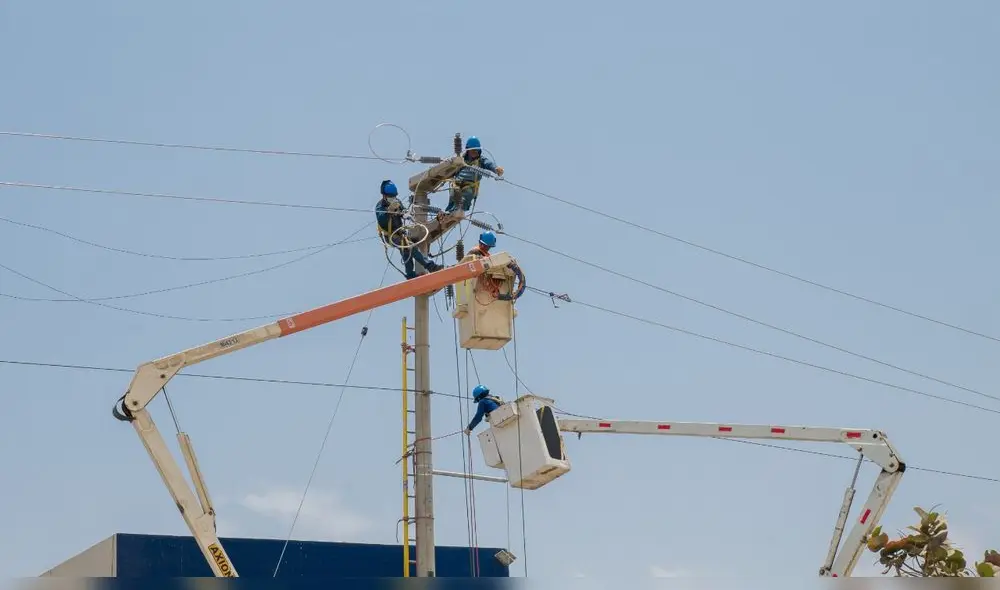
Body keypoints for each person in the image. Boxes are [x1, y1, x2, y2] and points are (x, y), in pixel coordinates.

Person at [375, 180, 442, 279]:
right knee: (410, 247)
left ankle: (410, 275)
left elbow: (402, 210)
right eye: (390, 197)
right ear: (384, 196)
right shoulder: (380, 206)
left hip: (400, 233)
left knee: (406, 251)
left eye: (394, 196)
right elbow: (382, 220)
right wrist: (389, 211)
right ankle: (430, 266)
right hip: (390, 235)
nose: (393, 198)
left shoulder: (397, 202)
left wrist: (405, 213)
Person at [444, 136, 504, 214]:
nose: (474, 153)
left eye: (476, 151)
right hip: (457, 183)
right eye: (472, 151)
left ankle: (460, 209)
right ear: (468, 150)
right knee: (453, 193)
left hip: (470, 185)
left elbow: (489, 164)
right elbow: (452, 170)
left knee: (467, 194)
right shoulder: (461, 160)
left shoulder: (481, 161)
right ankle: (451, 209)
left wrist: (496, 169)